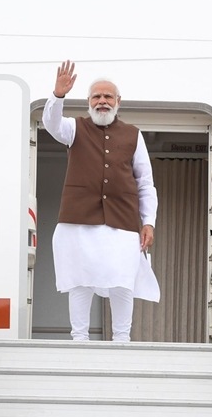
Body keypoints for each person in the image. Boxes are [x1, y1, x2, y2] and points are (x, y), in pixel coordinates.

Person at [42, 60, 160, 341]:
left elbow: (145, 182)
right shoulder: (74, 128)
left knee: (123, 281)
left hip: (122, 221)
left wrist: (149, 222)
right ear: (88, 102)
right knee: (79, 280)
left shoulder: (133, 135)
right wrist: (58, 95)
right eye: (97, 96)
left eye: (108, 96)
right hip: (79, 220)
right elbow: (51, 124)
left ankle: (122, 340)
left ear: (118, 101)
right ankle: (79, 339)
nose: (102, 101)